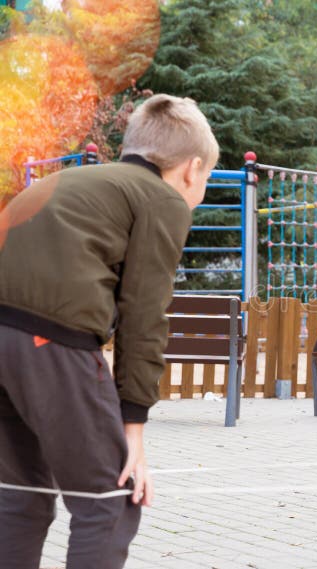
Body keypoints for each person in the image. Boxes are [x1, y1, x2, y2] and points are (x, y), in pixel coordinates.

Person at [0, 94, 219, 568]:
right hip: (50, 338)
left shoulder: (71, 180)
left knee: (22, 498)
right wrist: (133, 433)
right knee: (111, 502)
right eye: (202, 180)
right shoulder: (160, 198)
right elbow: (145, 314)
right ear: (191, 169)